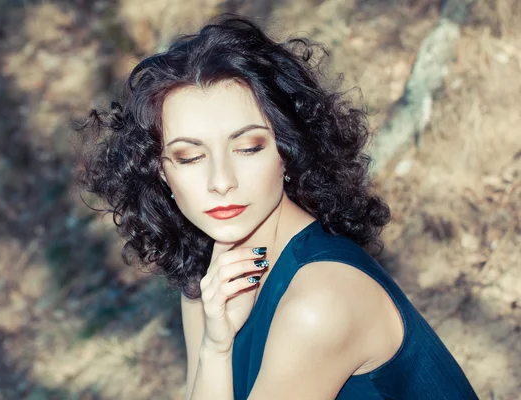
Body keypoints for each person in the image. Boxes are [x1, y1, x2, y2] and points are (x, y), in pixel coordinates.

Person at [75, 15, 478, 400]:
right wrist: (215, 348)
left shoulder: (320, 302)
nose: (221, 181)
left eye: (248, 147)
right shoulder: (210, 278)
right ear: (161, 173)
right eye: (189, 157)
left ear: (286, 151)